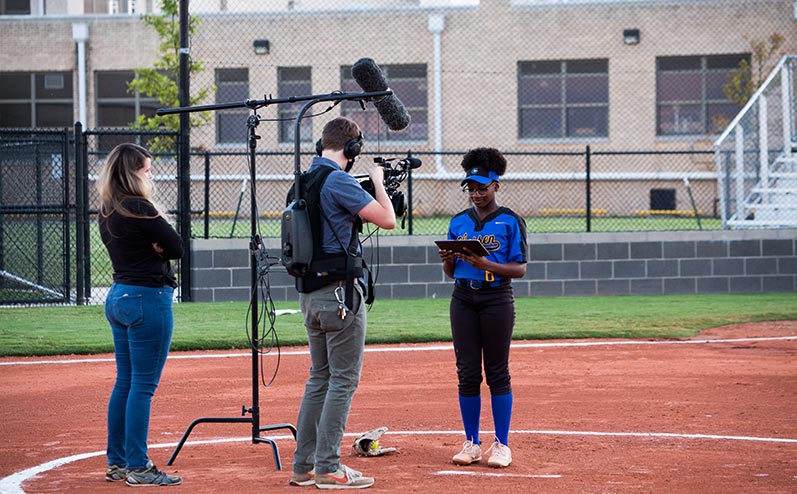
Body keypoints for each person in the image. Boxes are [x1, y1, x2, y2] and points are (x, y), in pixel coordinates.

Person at [289, 117, 396, 489]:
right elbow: (387, 219)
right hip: (339, 295)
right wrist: (379, 184)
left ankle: (303, 466)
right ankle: (329, 467)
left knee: (319, 378)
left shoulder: (303, 181)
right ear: (351, 150)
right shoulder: (339, 180)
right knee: (343, 380)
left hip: (310, 294)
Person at [96, 142, 184, 487]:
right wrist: (158, 248)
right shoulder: (139, 207)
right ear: (133, 172)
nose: (150, 174)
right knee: (142, 386)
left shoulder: (108, 209)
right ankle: (138, 465)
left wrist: (158, 247)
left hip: (119, 296)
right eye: (146, 169)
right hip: (147, 297)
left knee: (126, 382)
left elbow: (167, 246)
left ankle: (118, 462)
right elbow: (176, 247)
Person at [438, 147, 527, 469]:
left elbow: (520, 269)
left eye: (482, 187)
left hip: (496, 298)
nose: (475, 193)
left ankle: (501, 444)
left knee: (497, 372)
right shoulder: (458, 222)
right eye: (470, 188)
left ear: (496, 186)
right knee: (467, 373)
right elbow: (452, 274)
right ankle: (472, 442)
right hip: (463, 298)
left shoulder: (510, 221)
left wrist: (485, 262)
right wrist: (449, 261)